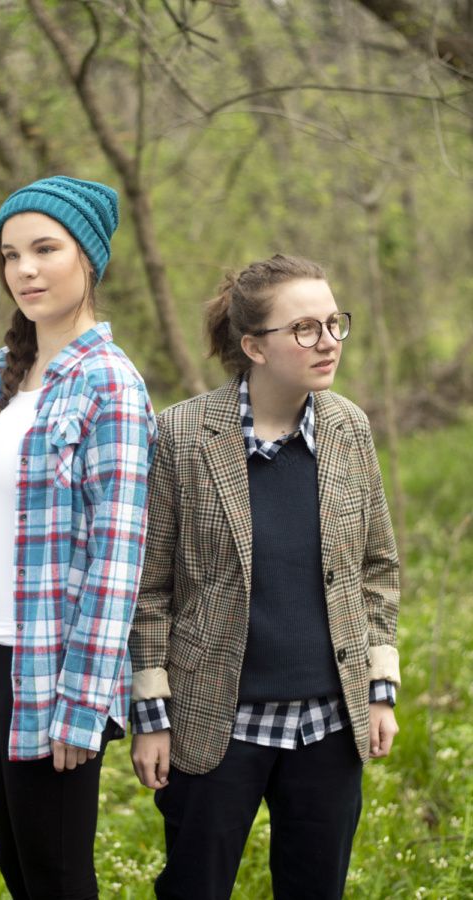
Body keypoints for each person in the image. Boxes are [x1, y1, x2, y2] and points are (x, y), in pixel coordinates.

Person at [129, 254, 400, 900]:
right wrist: (151, 712)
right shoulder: (183, 435)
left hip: (328, 727)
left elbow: (378, 567)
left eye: (335, 323)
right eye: (305, 328)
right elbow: (149, 589)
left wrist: (380, 683)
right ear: (253, 345)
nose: (328, 340)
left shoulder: (348, 429)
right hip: (213, 723)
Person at [0, 175, 157, 900]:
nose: (25, 270)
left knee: (59, 878)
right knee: (20, 872)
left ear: (88, 258)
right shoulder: (5, 373)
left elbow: (117, 560)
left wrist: (83, 700)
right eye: (10, 254)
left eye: (44, 249)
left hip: (56, 673)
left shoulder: (111, 386)